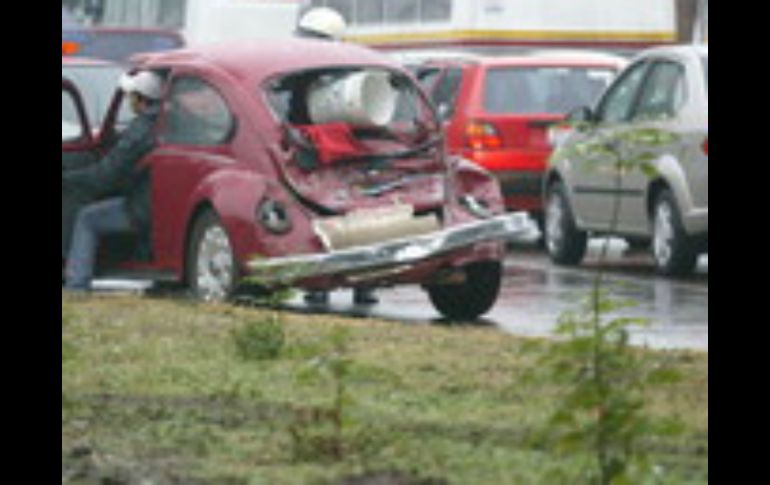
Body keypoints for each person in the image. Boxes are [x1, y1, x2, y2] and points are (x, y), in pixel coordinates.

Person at [294, 7, 378, 306]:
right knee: (354, 215)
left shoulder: (301, 70)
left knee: (323, 216)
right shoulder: (349, 67)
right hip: (341, 155)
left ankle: (325, 285)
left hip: (320, 156)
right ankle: (362, 284)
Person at [62, 70, 163, 292]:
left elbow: (104, 178)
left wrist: (68, 180)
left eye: (131, 96)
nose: (128, 101)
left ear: (140, 99)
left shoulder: (140, 130)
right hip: (158, 202)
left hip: (143, 207)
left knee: (87, 218)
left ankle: (76, 285)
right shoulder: (162, 122)